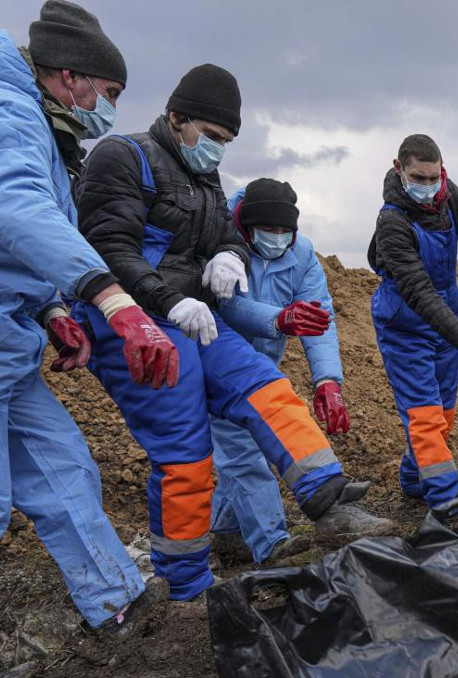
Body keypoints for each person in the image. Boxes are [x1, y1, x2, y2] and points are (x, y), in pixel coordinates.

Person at [75, 64, 393, 601]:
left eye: (227, 141)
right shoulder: (121, 157)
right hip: (134, 319)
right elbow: (108, 248)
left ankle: (330, 502)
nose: (219, 150)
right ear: (177, 118)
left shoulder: (204, 178)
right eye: (215, 136)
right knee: (187, 455)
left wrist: (228, 252)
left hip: (195, 317)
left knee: (267, 387)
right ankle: (187, 586)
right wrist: (168, 300)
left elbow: (227, 233)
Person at [0, 1, 178, 635]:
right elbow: (16, 209)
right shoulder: (10, 108)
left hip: (10, 344)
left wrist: (50, 310)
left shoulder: (40, 126)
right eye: (108, 91)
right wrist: (112, 298)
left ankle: (113, 600)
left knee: (63, 466)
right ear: (69, 76)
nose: (108, 108)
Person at [209, 178, 346, 564]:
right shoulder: (222, 243)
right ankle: (272, 544)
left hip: (263, 367)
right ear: (247, 224)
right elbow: (224, 304)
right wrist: (279, 320)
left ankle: (227, 532)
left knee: (242, 448)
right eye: (269, 230)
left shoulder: (301, 254)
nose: (278, 238)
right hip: (219, 361)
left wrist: (327, 380)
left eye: (286, 230)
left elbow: (320, 317)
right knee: (241, 452)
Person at [368, 133, 458, 507]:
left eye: (434, 178)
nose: (429, 187)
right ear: (400, 170)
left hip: (447, 313)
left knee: (444, 411)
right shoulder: (392, 222)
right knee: (425, 416)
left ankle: (414, 479)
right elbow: (417, 291)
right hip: (405, 323)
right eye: (419, 178)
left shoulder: (448, 194)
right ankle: (446, 505)